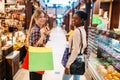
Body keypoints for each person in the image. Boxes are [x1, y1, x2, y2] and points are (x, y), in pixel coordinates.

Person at [62, 11, 88, 80]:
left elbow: (75, 50)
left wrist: (68, 65)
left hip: (74, 60)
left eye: (76, 18)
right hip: (80, 59)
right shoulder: (83, 30)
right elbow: (84, 45)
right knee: (76, 78)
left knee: (65, 78)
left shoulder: (76, 31)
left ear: (82, 20)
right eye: (73, 18)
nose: (73, 20)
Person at [25, 8, 49, 80]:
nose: (43, 18)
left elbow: (44, 42)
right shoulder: (36, 30)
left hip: (37, 58)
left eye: (43, 16)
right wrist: (42, 36)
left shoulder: (39, 28)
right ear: (35, 18)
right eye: (40, 17)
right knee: (36, 78)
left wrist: (46, 34)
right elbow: (35, 47)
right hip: (36, 58)